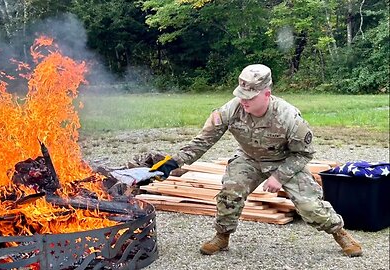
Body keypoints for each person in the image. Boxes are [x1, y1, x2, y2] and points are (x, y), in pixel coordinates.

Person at [135, 64, 362, 257]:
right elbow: (202, 141)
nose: (243, 101)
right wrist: (174, 163)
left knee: (310, 206)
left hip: (284, 161)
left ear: (266, 93)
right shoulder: (231, 109)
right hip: (249, 159)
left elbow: (304, 153)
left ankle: (340, 234)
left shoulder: (289, 117)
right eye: (241, 95)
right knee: (230, 192)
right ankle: (222, 237)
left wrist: (279, 176)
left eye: (249, 97)